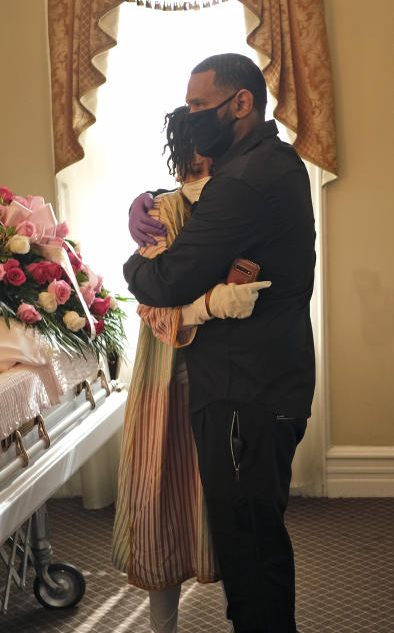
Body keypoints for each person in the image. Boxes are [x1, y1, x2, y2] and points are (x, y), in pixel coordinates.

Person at [123, 53, 316, 633]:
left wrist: (133, 260)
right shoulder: (268, 161)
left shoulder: (246, 181)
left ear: (242, 103)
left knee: (249, 551)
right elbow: (206, 199)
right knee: (251, 539)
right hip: (265, 379)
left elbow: (167, 278)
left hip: (243, 392)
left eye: (200, 107)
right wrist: (156, 197)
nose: (190, 118)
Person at [113, 105, 271, 633]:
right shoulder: (170, 210)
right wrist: (205, 307)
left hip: (220, 376)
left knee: (214, 504)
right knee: (173, 500)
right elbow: (154, 302)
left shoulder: (236, 198)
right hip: (178, 375)